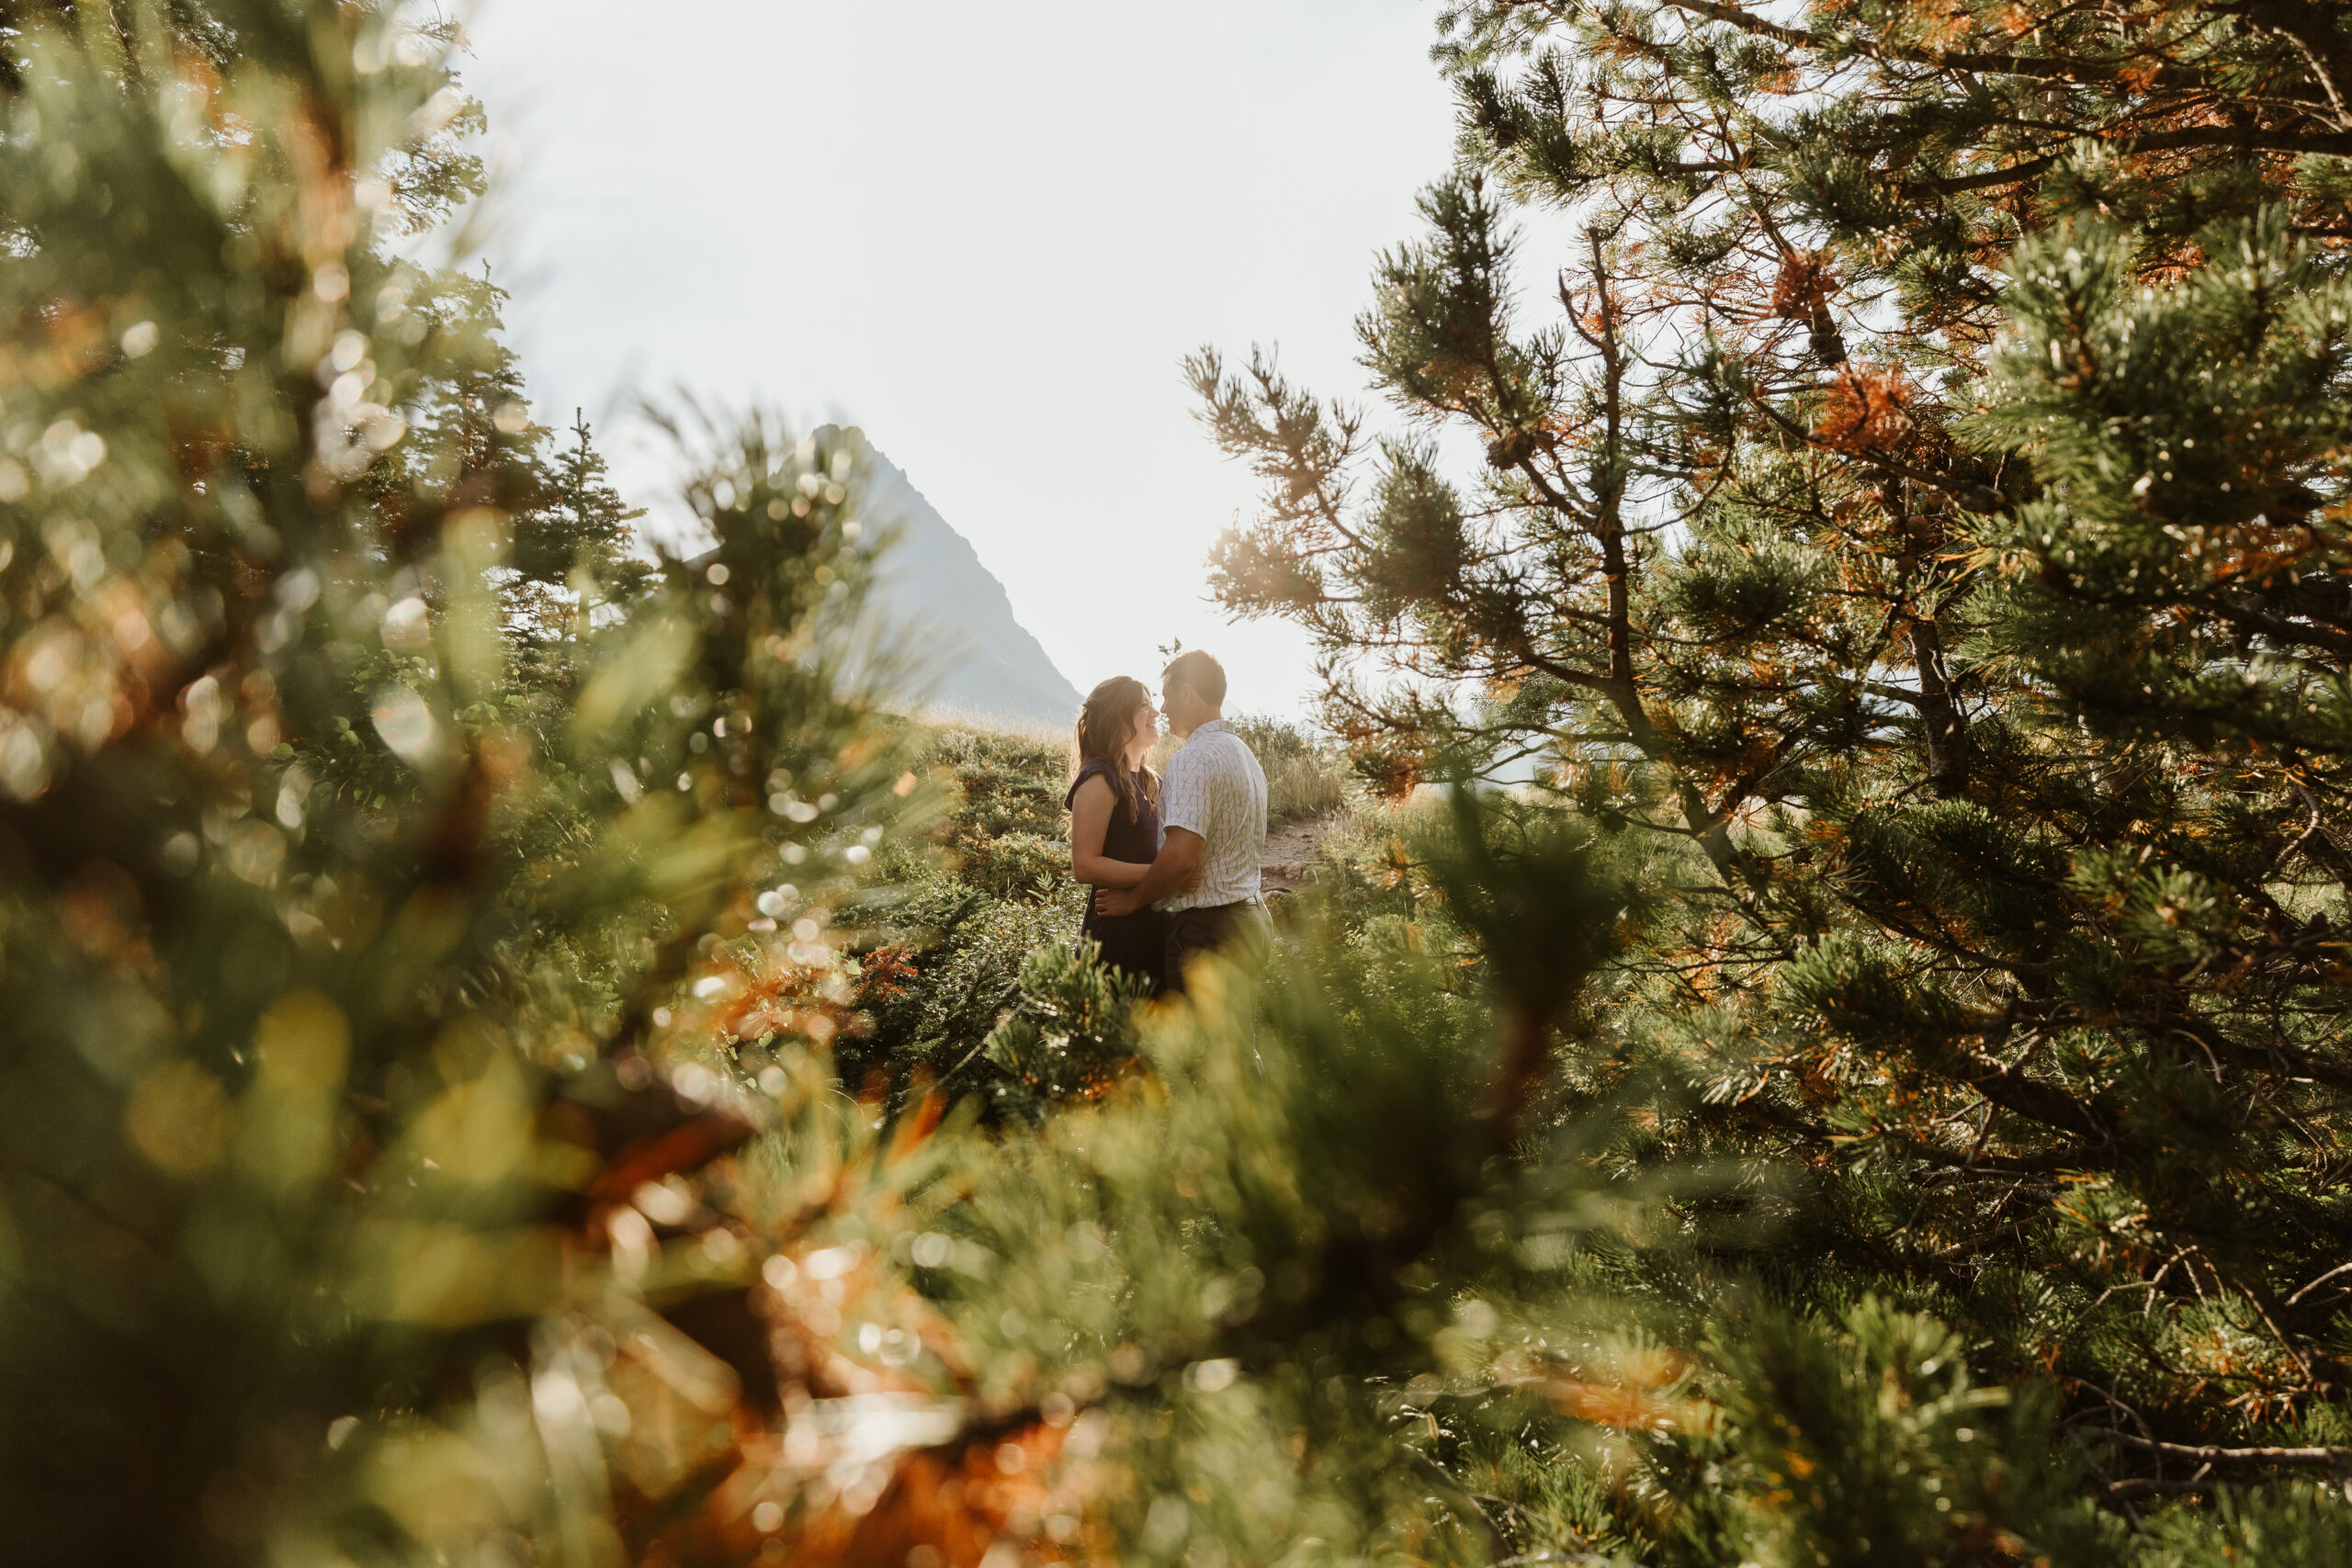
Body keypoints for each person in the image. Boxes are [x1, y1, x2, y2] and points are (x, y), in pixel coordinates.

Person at [1094, 649, 1267, 995]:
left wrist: (1133, 901)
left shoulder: (1192, 759)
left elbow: (1180, 859)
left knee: (1198, 1049)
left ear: (1187, 693)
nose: (1164, 707)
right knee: (1233, 1045)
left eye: (1167, 695)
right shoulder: (1245, 755)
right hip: (1250, 918)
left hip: (1207, 934)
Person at [1065, 675, 1168, 992]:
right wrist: (1160, 876)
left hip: (1153, 931)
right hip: (1114, 939)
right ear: (1117, 718)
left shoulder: (1153, 781)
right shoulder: (1099, 777)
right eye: (1144, 707)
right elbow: (1085, 866)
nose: (1157, 713)